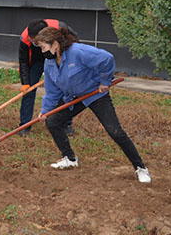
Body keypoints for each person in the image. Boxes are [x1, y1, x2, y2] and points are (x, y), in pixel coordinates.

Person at [33, 26, 151, 183]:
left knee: (115, 131)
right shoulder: (50, 63)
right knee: (53, 121)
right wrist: (46, 110)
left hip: (95, 94)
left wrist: (105, 81)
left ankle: (140, 168)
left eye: (43, 47)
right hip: (74, 97)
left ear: (55, 43)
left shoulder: (78, 51)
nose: (43, 52)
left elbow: (106, 58)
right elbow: (52, 90)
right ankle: (70, 158)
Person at [17, 19, 77, 136]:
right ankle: (24, 125)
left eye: (35, 40)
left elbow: (74, 46)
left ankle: (66, 124)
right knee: (28, 92)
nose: (32, 41)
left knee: (65, 91)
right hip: (37, 61)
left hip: (57, 57)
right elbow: (23, 61)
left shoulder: (60, 29)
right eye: (31, 40)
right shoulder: (25, 38)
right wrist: (25, 82)